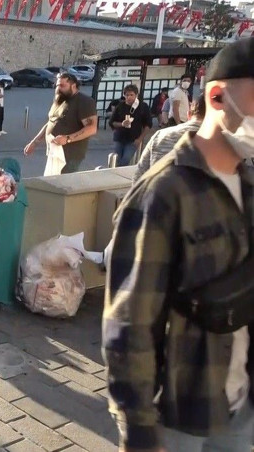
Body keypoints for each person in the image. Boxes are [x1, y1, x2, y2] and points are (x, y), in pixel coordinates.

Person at [103, 37, 254, 452]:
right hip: (179, 412)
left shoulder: (248, 187)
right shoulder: (164, 193)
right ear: (217, 97)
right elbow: (129, 322)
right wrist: (138, 429)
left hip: (240, 408)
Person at [23, 73, 97, 174]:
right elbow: (50, 122)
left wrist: (67, 139)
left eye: (62, 86)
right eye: (57, 85)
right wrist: (34, 142)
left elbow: (92, 128)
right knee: (52, 181)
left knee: (63, 182)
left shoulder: (84, 101)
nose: (58, 88)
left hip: (70, 155)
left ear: (73, 86)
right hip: (54, 151)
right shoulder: (60, 99)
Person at [109, 84, 153, 167]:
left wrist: (140, 139)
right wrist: (122, 124)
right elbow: (112, 122)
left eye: (131, 95)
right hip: (119, 137)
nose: (129, 97)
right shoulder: (120, 106)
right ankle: (117, 172)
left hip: (133, 139)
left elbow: (148, 124)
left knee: (126, 159)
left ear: (136, 95)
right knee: (117, 159)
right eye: (127, 95)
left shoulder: (143, 106)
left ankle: (120, 171)